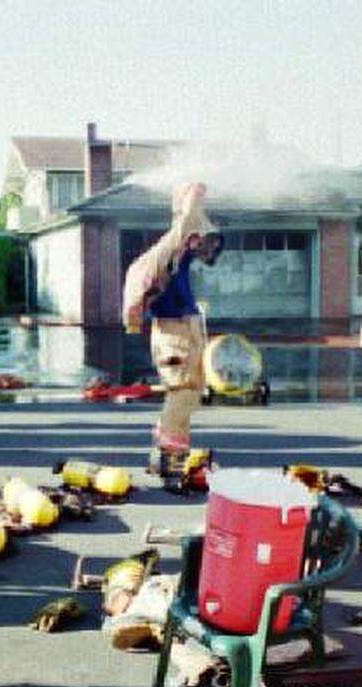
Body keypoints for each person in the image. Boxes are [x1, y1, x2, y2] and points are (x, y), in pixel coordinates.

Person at [123, 182, 222, 478]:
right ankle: (169, 446)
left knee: (191, 390)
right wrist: (193, 196)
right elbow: (185, 222)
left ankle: (177, 451)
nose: (204, 245)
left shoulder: (180, 252)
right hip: (173, 332)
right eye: (200, 238)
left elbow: (194, 232)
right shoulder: (167, 249)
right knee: (182, 390)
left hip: (184, 329)